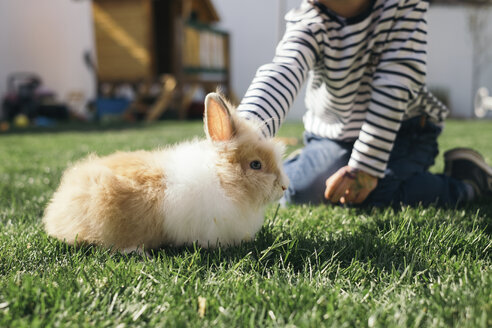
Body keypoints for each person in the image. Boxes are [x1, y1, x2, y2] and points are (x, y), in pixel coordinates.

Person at [236, 0, 492, 207]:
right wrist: (243, 134)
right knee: (297, 192)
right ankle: (316, 162)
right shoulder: (308, 19)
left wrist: (367, 165)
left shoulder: (402, 6)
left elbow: (395, 83)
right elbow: (283, 72)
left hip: (404, 132)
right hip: (335, 136)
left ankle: (468, 183)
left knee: (375, 194)